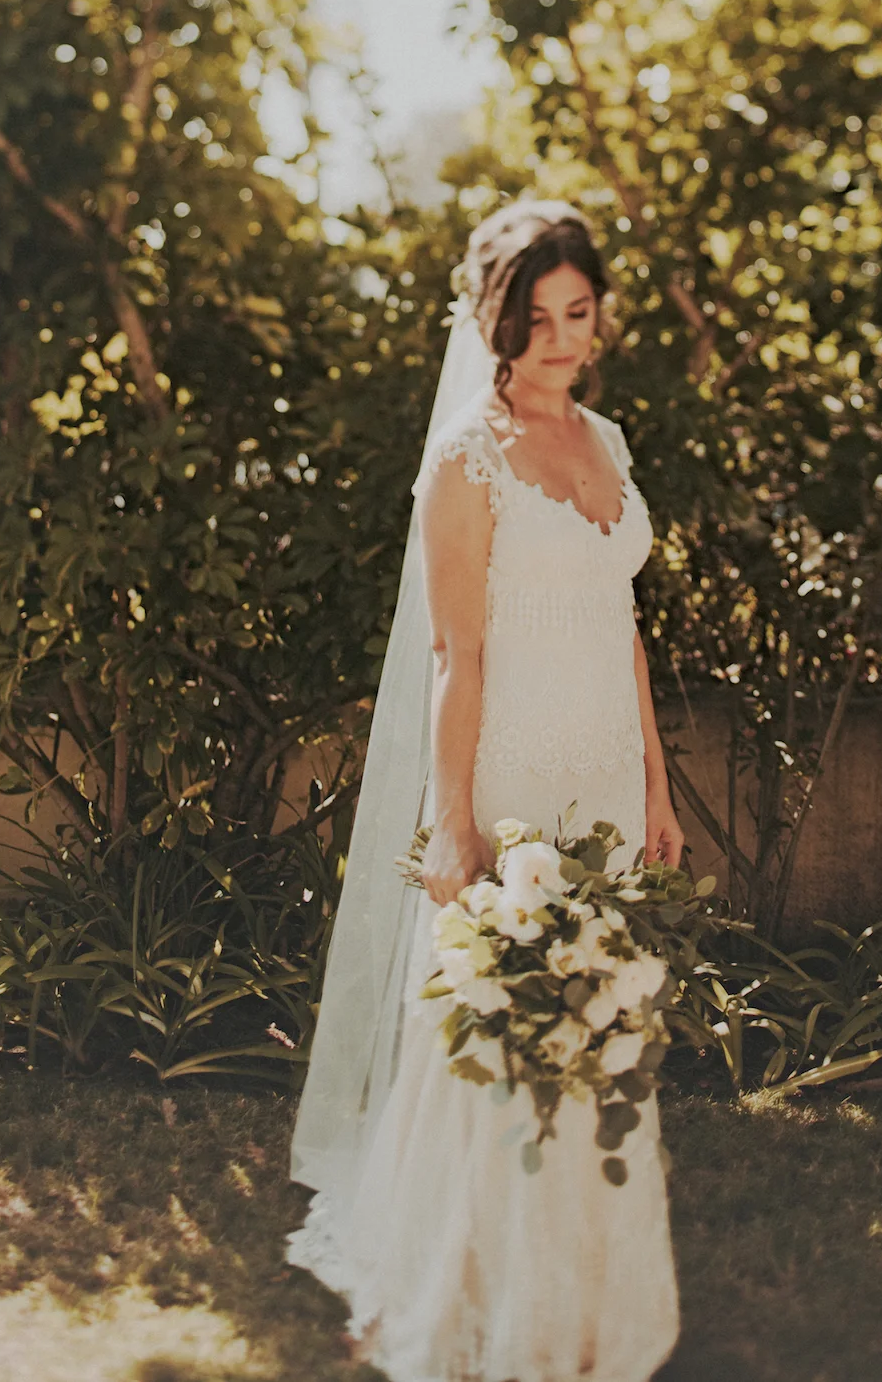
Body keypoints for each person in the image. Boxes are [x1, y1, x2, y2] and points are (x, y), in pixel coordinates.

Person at [286, 196, 684, 1382]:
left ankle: (584, 1301)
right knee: (496, 1047)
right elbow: (457, 654)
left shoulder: (607, 441)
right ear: (495, 323)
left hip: (607, 777)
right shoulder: (466, 461)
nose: (563, 340)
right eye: (539, 319)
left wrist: (661, 790)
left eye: (579, 313)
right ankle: (463, 1295)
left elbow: (624, 628)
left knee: (602, 1033)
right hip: (510, 786)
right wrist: (455, 825)